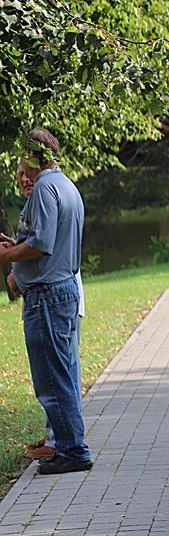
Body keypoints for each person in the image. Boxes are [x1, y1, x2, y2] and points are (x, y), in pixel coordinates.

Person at [0, 129, 92, 474]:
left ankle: (71, 450)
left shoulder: (43, 188)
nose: (21, 165)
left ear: (35, 156)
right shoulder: (66, 185)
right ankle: (68, 445)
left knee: (52, 377)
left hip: (48, 296)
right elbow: (45, 241)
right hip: (63, 290)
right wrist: (14, 248)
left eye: (24, 156)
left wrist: (5, 257)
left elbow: (41, 245)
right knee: (63, 372)